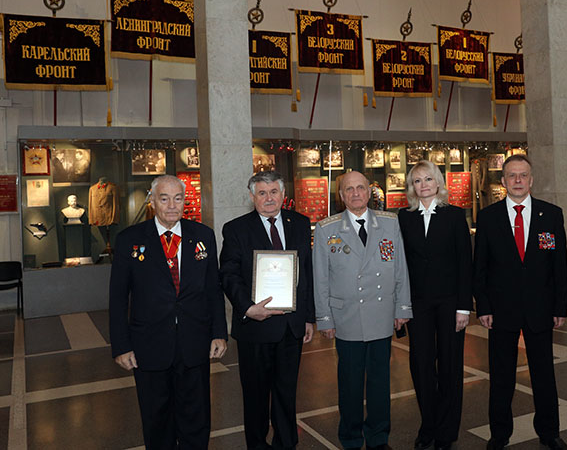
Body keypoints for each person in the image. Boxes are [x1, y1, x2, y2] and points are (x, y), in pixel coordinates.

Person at [109, 174, 227, 450]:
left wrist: (219, 333)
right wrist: (121, 346)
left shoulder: (203, 236)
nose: (172, 205)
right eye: (164, 198)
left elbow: (213, 289)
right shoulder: (130, 240)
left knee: (196, 418)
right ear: (152, 202)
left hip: (194, 343)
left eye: (178, 198)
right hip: (148, 345)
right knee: (156, 420)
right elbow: (117, 298)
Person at [473, 154, 567, 450]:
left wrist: (559, 307)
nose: (518, 180)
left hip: (541, 310)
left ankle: (549, 432)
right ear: (502, 181)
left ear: (532, 180)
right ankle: (499, 434)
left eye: (523, 175)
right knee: (501, 377)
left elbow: (559, 265)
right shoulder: (488, 218)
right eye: (512, 175)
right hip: (501, 311)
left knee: (544, 375)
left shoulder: (551, 215)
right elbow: (480, 268)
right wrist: (484, 306)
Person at [313, 170, 413, 450]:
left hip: (381, 315)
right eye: (349, 189)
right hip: (346, 318)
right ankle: (351, 437)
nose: (356, 193)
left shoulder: (390, 224)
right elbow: (320, 278)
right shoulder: (326, 229)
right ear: (341, 195)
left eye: (360, 188)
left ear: (370, 192)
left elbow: (400, 266)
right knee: (350, 384)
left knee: (381, 382)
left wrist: (402, 307)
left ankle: (379, 436)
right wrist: (324, 318)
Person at [219, 171, 315, 450]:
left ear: (283, 195)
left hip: (291, 327)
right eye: (262, 193)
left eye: (274, 192)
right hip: (256, 327)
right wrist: (247, 308)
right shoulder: (236, 228)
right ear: (252, 197)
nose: (269, 198)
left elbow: (306, 273)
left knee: (287, 394)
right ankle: (257, 445)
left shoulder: (299, 223)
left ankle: (287, 443)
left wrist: (308, 317)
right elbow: (228, 274)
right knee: (256, 397)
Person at [397, 161, 472, 450]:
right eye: (417, 181)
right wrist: (400, 307)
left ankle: (446, 432)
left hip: (451, 302)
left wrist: (464, 307)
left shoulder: (454, 216)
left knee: (451, 365)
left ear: (438, 183)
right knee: (421, 364)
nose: (423, 184)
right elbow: (400, 266)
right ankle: (428, 424)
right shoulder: (403, 218)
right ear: (411, 187)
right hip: (418, 303)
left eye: (428, 179)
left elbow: (465, 261)